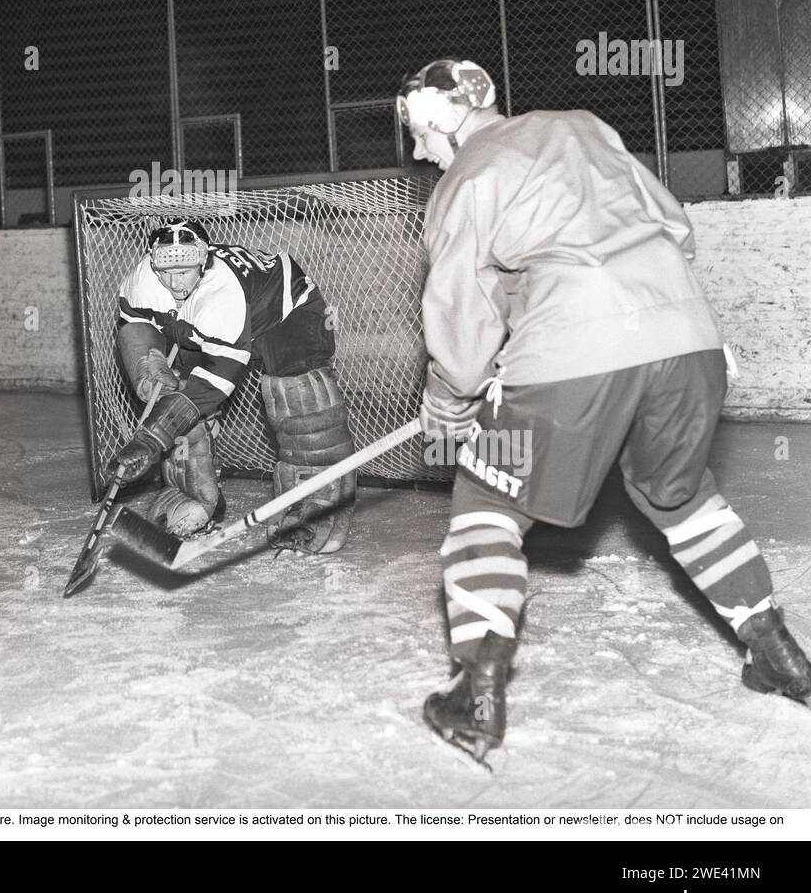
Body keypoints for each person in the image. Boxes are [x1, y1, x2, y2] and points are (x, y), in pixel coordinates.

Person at [399, 58, 811, 765]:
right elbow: (675, 229)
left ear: (439, 117)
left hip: (574, 354)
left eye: (417, 132)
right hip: (687, 341)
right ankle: (776, 651)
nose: (416, 151)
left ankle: (477, 691)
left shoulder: (465, 178)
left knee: (485, 503)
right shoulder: (583, 126)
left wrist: (447, 399)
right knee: (680, 499)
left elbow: (461, 319)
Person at [104, 218, 357, 554]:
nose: (175, 283)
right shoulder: (143, 280)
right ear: (153, 264)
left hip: (284, 309)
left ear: (204, 262)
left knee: (298, 395)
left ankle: (314, 500)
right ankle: (194, 493)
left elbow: (214, 385)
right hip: (203, 324)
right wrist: (151, 370)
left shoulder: (218, 292)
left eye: (184, 272)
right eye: (166, 273)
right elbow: (134, 324)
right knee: (172, 393)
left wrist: (152, 436)